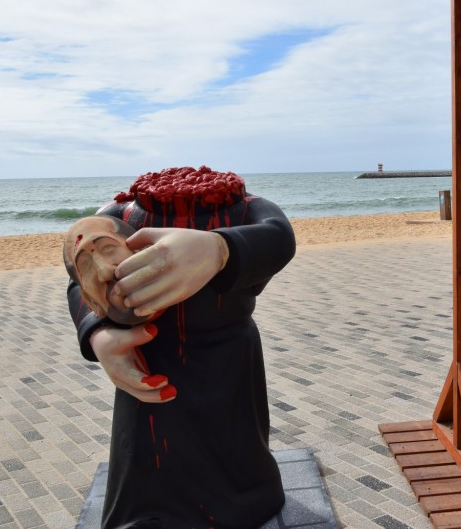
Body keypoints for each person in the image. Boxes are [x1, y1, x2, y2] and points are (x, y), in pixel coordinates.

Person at [64, 166, 296, 528]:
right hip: (151, 355)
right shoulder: (116, 215)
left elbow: (279, 239)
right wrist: (99, 333)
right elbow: (79, 279)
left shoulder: (247, 208)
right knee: (148, 460)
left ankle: (249, 497)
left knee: (237, 449)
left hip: (228, 355)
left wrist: (219, 248)